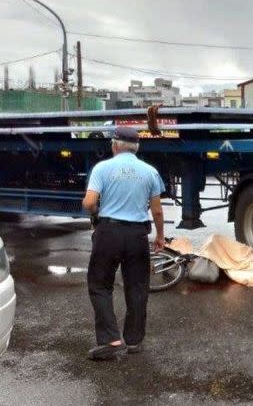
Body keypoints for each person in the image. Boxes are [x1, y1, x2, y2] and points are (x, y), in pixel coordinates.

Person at [81, 126, 166, 361]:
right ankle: (134, 340)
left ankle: (110, 339)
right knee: (137, 288)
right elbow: (157, 211)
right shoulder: (150, 171)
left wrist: (96, 211)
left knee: (100, 285)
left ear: (115, 145)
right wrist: (159, 236)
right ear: (136, 147)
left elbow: (89, 203)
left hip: (108, 232)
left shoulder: (102, 168)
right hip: (138, 235)